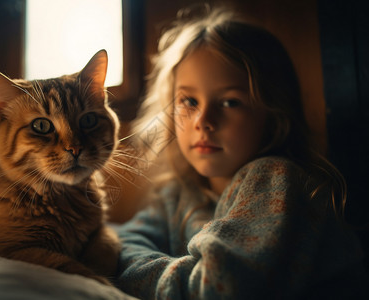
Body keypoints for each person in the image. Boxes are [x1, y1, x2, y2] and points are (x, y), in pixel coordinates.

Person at [114, 6, 368, 299]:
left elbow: (215, 289)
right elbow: (120, 241)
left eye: (230, 102)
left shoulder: (275, 179)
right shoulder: (179, 194)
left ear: (273, 114)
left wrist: (124, 267)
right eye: (189, 101)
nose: (203, 121)